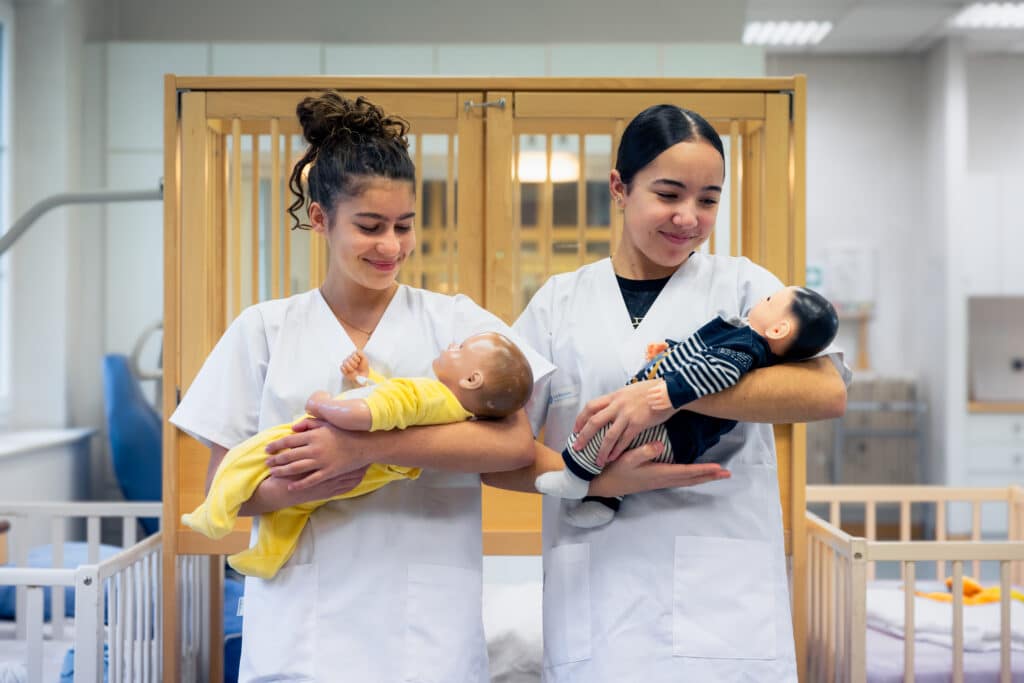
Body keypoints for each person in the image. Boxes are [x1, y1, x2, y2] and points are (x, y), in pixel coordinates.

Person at [169, 92, 554, 682]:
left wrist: (366, 447)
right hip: (304, 626)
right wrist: (311, 481)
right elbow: (227, 487)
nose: (391, 247)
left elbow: (512, 447)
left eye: (404, 227)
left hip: (425, 633)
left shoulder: (454, 324)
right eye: (370, 227)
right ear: (321, 219)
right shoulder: (265, 330)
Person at [485, 104, 849, 681]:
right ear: (619, 188)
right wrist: (599, 481)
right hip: (596, 597)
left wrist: (668, 393)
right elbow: (495, 455)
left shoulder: (744, 287)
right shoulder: (559, 305)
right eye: (669, 193)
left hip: (722, 603)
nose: (689, 217)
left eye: (708, 199)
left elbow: (825, 393)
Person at [183, 333, 534, 578]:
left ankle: (213, 514)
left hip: (327, 444)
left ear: (472, 378)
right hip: (366, 481)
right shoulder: (456, 411)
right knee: (293, 512)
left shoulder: (430, 390)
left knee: (247, 459)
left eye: (462, 348)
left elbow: (374, 411)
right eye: (369, 225)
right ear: (320, 221)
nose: (452, 344)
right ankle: (264, 556)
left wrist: (324, 406)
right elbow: (394, 400)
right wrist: (366, 378)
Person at [536, 285, 839, 527]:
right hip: (594, 561)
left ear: (778, 330)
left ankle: (574, 478)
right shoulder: (741, 337)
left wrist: (669, 392)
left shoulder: (747, 346)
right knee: (622, 449)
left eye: (770, 299)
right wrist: (668, 352)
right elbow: (701, 354)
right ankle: (607, 498)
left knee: (605, 433)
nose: (763, 298)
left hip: (675, 440)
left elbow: (717, 371)